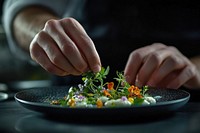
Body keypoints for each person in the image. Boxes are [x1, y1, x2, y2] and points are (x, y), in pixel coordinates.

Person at [2, 0, 200, 89]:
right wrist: (41, 31)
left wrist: (195, 68)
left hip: (183, 105)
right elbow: (24, 11)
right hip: (70, 109)